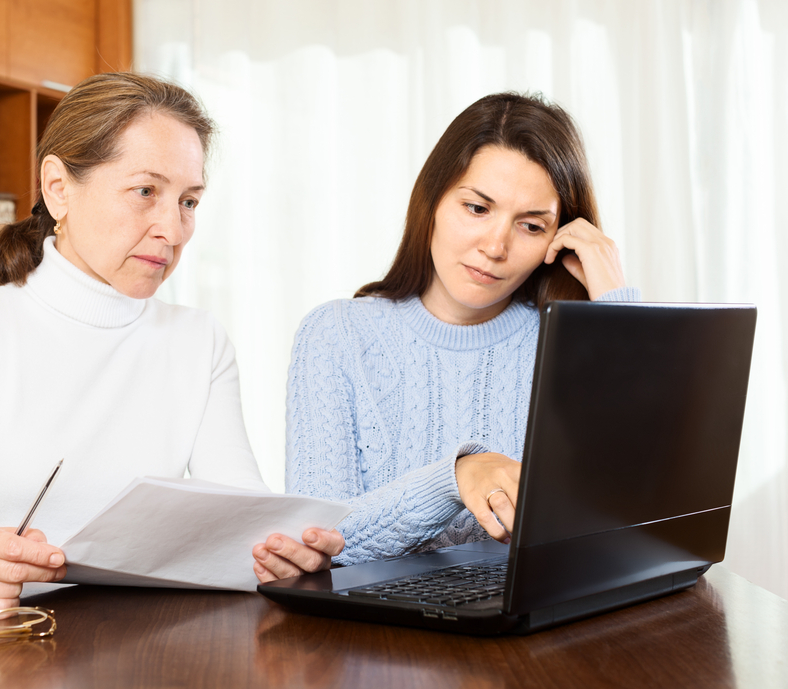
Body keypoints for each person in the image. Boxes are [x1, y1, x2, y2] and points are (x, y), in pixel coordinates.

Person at [0, 72, 334, 612]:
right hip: (7, 648)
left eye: (189, 201)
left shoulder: (198, 340)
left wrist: (279, 553)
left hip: (148, 649)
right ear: (59, 188)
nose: (174, 230)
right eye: (145, 192)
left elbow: (242, 520)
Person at [252, 92, 639, 580]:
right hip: (376, 639)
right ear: (431, 201)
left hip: (530, 633)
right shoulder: (336, 335)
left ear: (557, 239)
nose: (495, 247)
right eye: (477, 208)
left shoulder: (568, 345)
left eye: (531, 225)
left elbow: (636, 527)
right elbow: (316, 544)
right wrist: (455, 479)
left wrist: (616, 307)